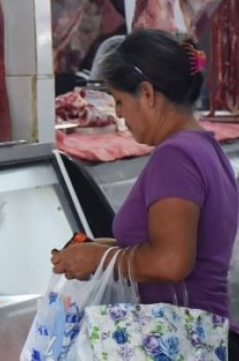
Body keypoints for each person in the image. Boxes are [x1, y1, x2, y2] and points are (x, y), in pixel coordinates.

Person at [49, 29, 239, 354]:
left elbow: (171, 262)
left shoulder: (175, 155)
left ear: (148, 93)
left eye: (120, 101)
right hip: (201, 336)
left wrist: (101, 258)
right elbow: (178, 245)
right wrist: (98, 250)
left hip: (179, 338)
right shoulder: (204, 147)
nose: (119, 114)